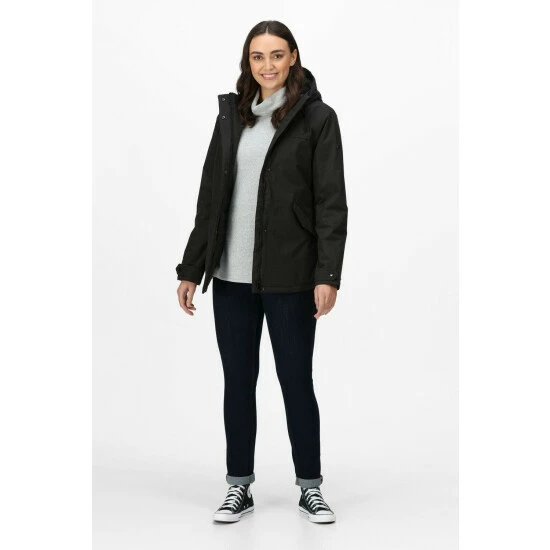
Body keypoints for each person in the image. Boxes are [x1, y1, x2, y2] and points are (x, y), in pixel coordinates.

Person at [176, 20, 348, 524]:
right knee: (238, 382)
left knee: (296, 381)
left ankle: (310, 486)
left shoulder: (317, 119)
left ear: (293, 57)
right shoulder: (232, 118)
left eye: (276, 55)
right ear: (247, 62)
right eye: (257, 56)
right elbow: (210, 198)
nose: (267, 65)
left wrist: (327, 274)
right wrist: (192, 267)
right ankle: (239, 486)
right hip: (230, 276)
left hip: (291, 275)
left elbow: (330, 203)